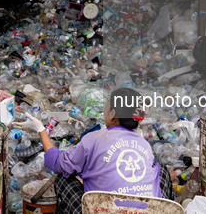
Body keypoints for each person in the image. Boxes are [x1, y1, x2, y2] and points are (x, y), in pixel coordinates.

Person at [14, 87, 173, 213]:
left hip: (104, 211)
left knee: (63, 179)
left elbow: (56, 163)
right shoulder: (144, 143)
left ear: (112, 115)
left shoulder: (94, 138)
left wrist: (41, 129)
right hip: (149, 210)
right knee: (161, 170)